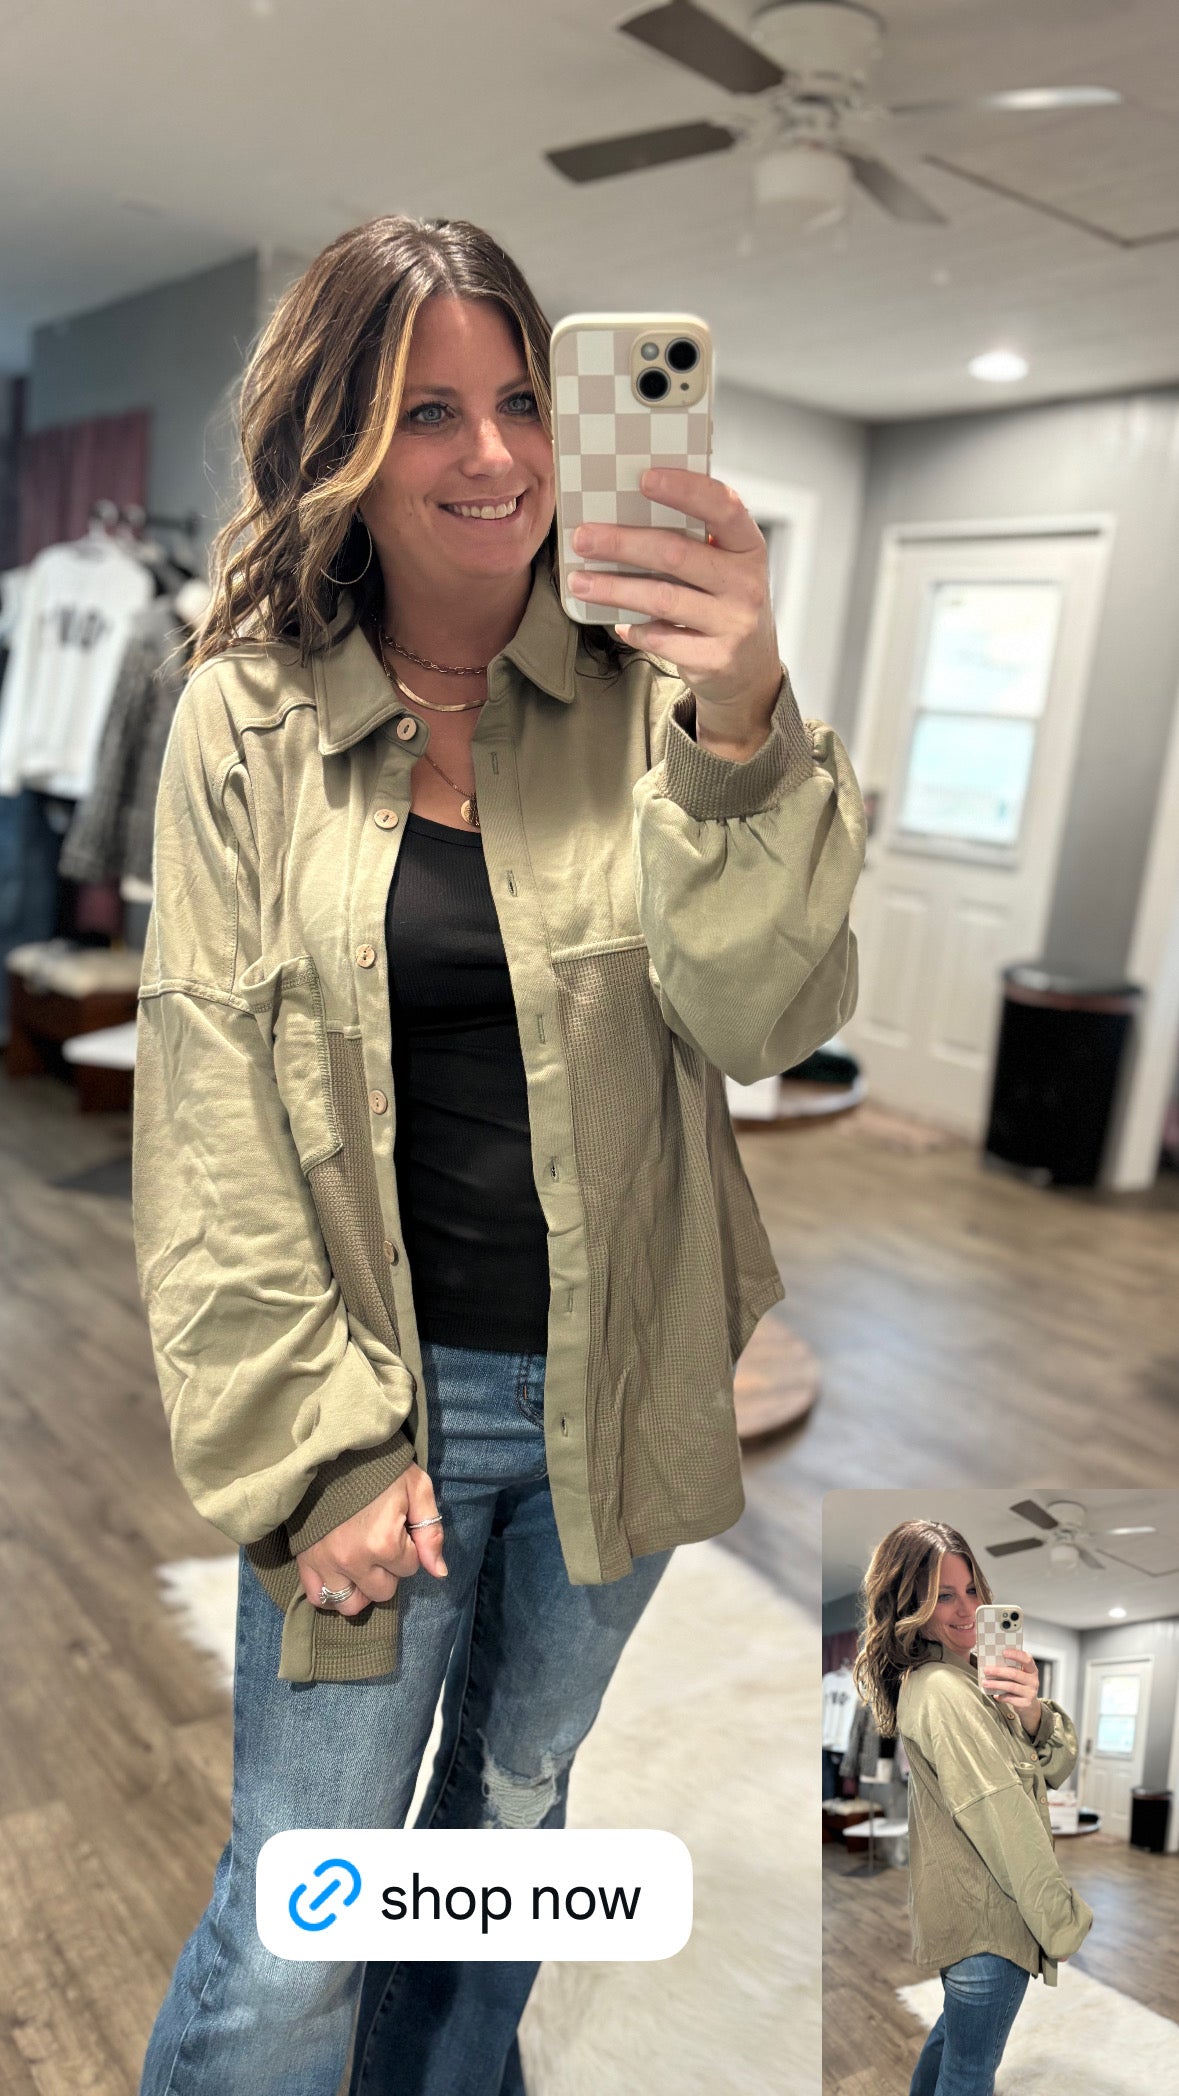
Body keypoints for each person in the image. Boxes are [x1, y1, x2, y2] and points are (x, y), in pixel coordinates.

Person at [132, 213, 866, 2096]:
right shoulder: (247, 717)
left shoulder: (666, 698)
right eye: (423, 410)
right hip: (370, 1399)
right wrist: (319, 1454)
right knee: (309, 1897)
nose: (495, 455)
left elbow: (756, 1018)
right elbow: (207, 1116)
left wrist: (732, 723)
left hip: (614, 1387)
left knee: (512, 1832)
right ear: (339, 452)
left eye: (524, 398)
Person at [852, 1519, 1093, 2096]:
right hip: (993, 1921)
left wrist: (1031, 1713)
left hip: (969, 1914)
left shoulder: (968, 1681)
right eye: (942, 1595)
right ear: (909, 1603)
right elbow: (1004, 1816)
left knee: (952, 2045)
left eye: (972, 1591)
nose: (966, 1610)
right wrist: (1060, 1920)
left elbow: (1051, 1772)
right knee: (969, 2073)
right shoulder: (944, 1691)